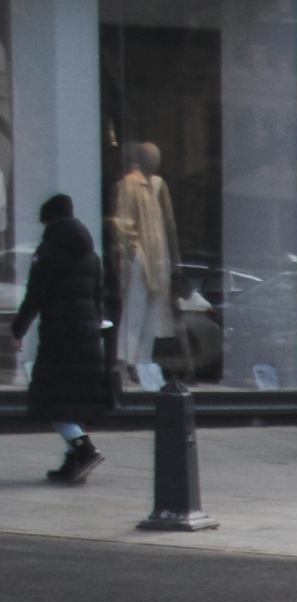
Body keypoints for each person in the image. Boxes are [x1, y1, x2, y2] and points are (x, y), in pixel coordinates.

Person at [9, 195, 116, 485]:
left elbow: (35, 295)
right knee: (73, 398)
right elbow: (98, 297)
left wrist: (17, 331)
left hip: (59, 337)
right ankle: (72, 461)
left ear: (50, 220)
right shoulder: (91, 255)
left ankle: (83, 448)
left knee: (51, 398)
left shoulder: (48, 251)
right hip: (88, 338)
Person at [107, 142, 178, 382]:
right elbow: (123, 221)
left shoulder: (157, 185)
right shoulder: (130, 183)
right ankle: (124, 362)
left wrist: (171, 260)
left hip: (158, 257)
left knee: (151, 313)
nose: (155, 161)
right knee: (133, 311)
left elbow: (167, 225)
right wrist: (132, 252)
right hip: (139, 256)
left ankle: (143, 363)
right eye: (151, 156)